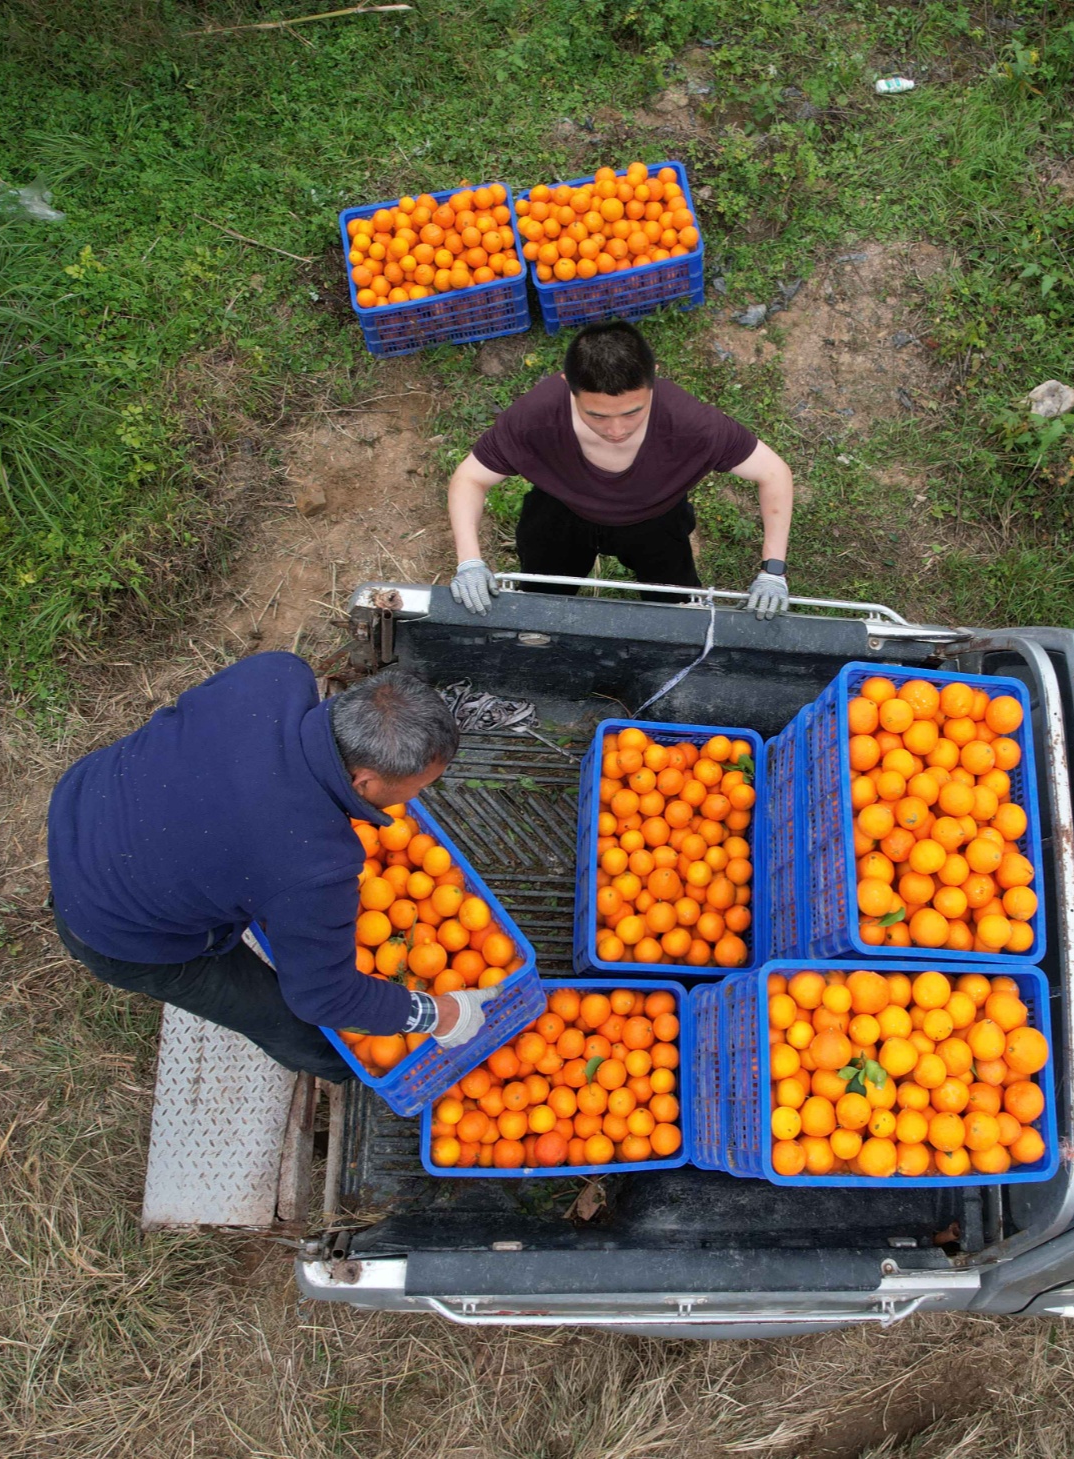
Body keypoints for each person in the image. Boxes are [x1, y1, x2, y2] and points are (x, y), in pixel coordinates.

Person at [46, 655, 496, 1083]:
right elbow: (325, 996)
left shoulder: (274, 674)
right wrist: (441, 1015)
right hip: (111, 926)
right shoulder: (316, 865)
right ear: (365, 782)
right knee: (284, 1017)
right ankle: (341, 1070)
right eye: (416, 788)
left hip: (85, 806)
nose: (414, 800)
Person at [446, 320, 796, 618]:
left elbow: (773, 473)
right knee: (541, 600)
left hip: (656, 520)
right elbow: (470, 478)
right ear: (568, 383)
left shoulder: (691, 423)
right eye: (597, 415)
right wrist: (470, 563)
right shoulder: (535, 417)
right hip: (561, 514)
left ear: (653, 379)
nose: (617, 430)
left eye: (632, 412)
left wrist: (773, 571)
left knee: (677, 610)